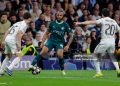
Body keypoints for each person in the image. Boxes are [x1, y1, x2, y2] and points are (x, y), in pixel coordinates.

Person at [74, 8, 120, 77]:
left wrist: (80, 23)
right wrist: (119, 40)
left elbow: (90, 22)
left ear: (102, 14)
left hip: (105, 41)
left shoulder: (102, 20)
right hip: (112, 42)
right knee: (112, 56)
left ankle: (99, 72)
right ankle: (118, 70)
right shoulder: (114, 21)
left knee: (95, 54)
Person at [29, 11, 73, 75]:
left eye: (60, 15)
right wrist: (42, 42)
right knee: (43, 52)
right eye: (58, 15)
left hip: (59, 42)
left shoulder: (65, 25)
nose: (59, 16)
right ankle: (31, 65)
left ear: (62, 16)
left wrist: (68, 45)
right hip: (51, 40)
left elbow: (71, 36)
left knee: (60, 55)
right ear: (56, 15)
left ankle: (62, 69)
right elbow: (46, 34)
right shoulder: (52, 23)